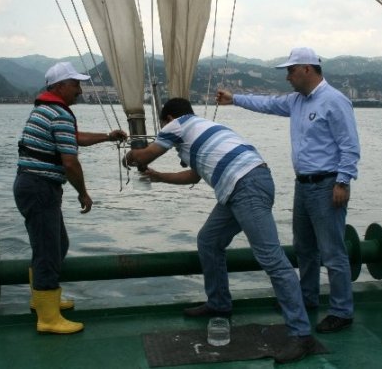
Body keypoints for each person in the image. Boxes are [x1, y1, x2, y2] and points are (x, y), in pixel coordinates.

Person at [124, 97, 315, 364]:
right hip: (242, 184)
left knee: (272, 260)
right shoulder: (203, 127)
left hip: (245, 186)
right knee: (209, 241)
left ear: (167, 119)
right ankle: (219, 303)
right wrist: (158, 176)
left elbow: (144, 155)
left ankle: (301, 335)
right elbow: (194, 175)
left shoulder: (176, 125)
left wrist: (130, 154)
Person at [216, 47, 360, 334]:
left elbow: (350, 145)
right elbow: (267, 104)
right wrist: (235, 100)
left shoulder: (335, 101)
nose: (287, 77)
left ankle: (342, 311)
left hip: (328, 185)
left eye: (290, 70)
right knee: (305, 248)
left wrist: (343, 182)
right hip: (303, 185)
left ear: (307, 69)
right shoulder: (297, 101)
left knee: (332, 252)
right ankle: (307, 299)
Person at [13, 62, 127, 334]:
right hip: (40, 188)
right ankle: (48, 318)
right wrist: (83, 193)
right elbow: (70, 162)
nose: (80, 90)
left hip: (33, 185)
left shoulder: (47, 110)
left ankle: (42, 300)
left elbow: (75, 138)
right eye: (75, 84)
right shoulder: (59, 114)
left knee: (55, 244)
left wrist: (108, 137)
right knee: (49, 250)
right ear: (59, 86)